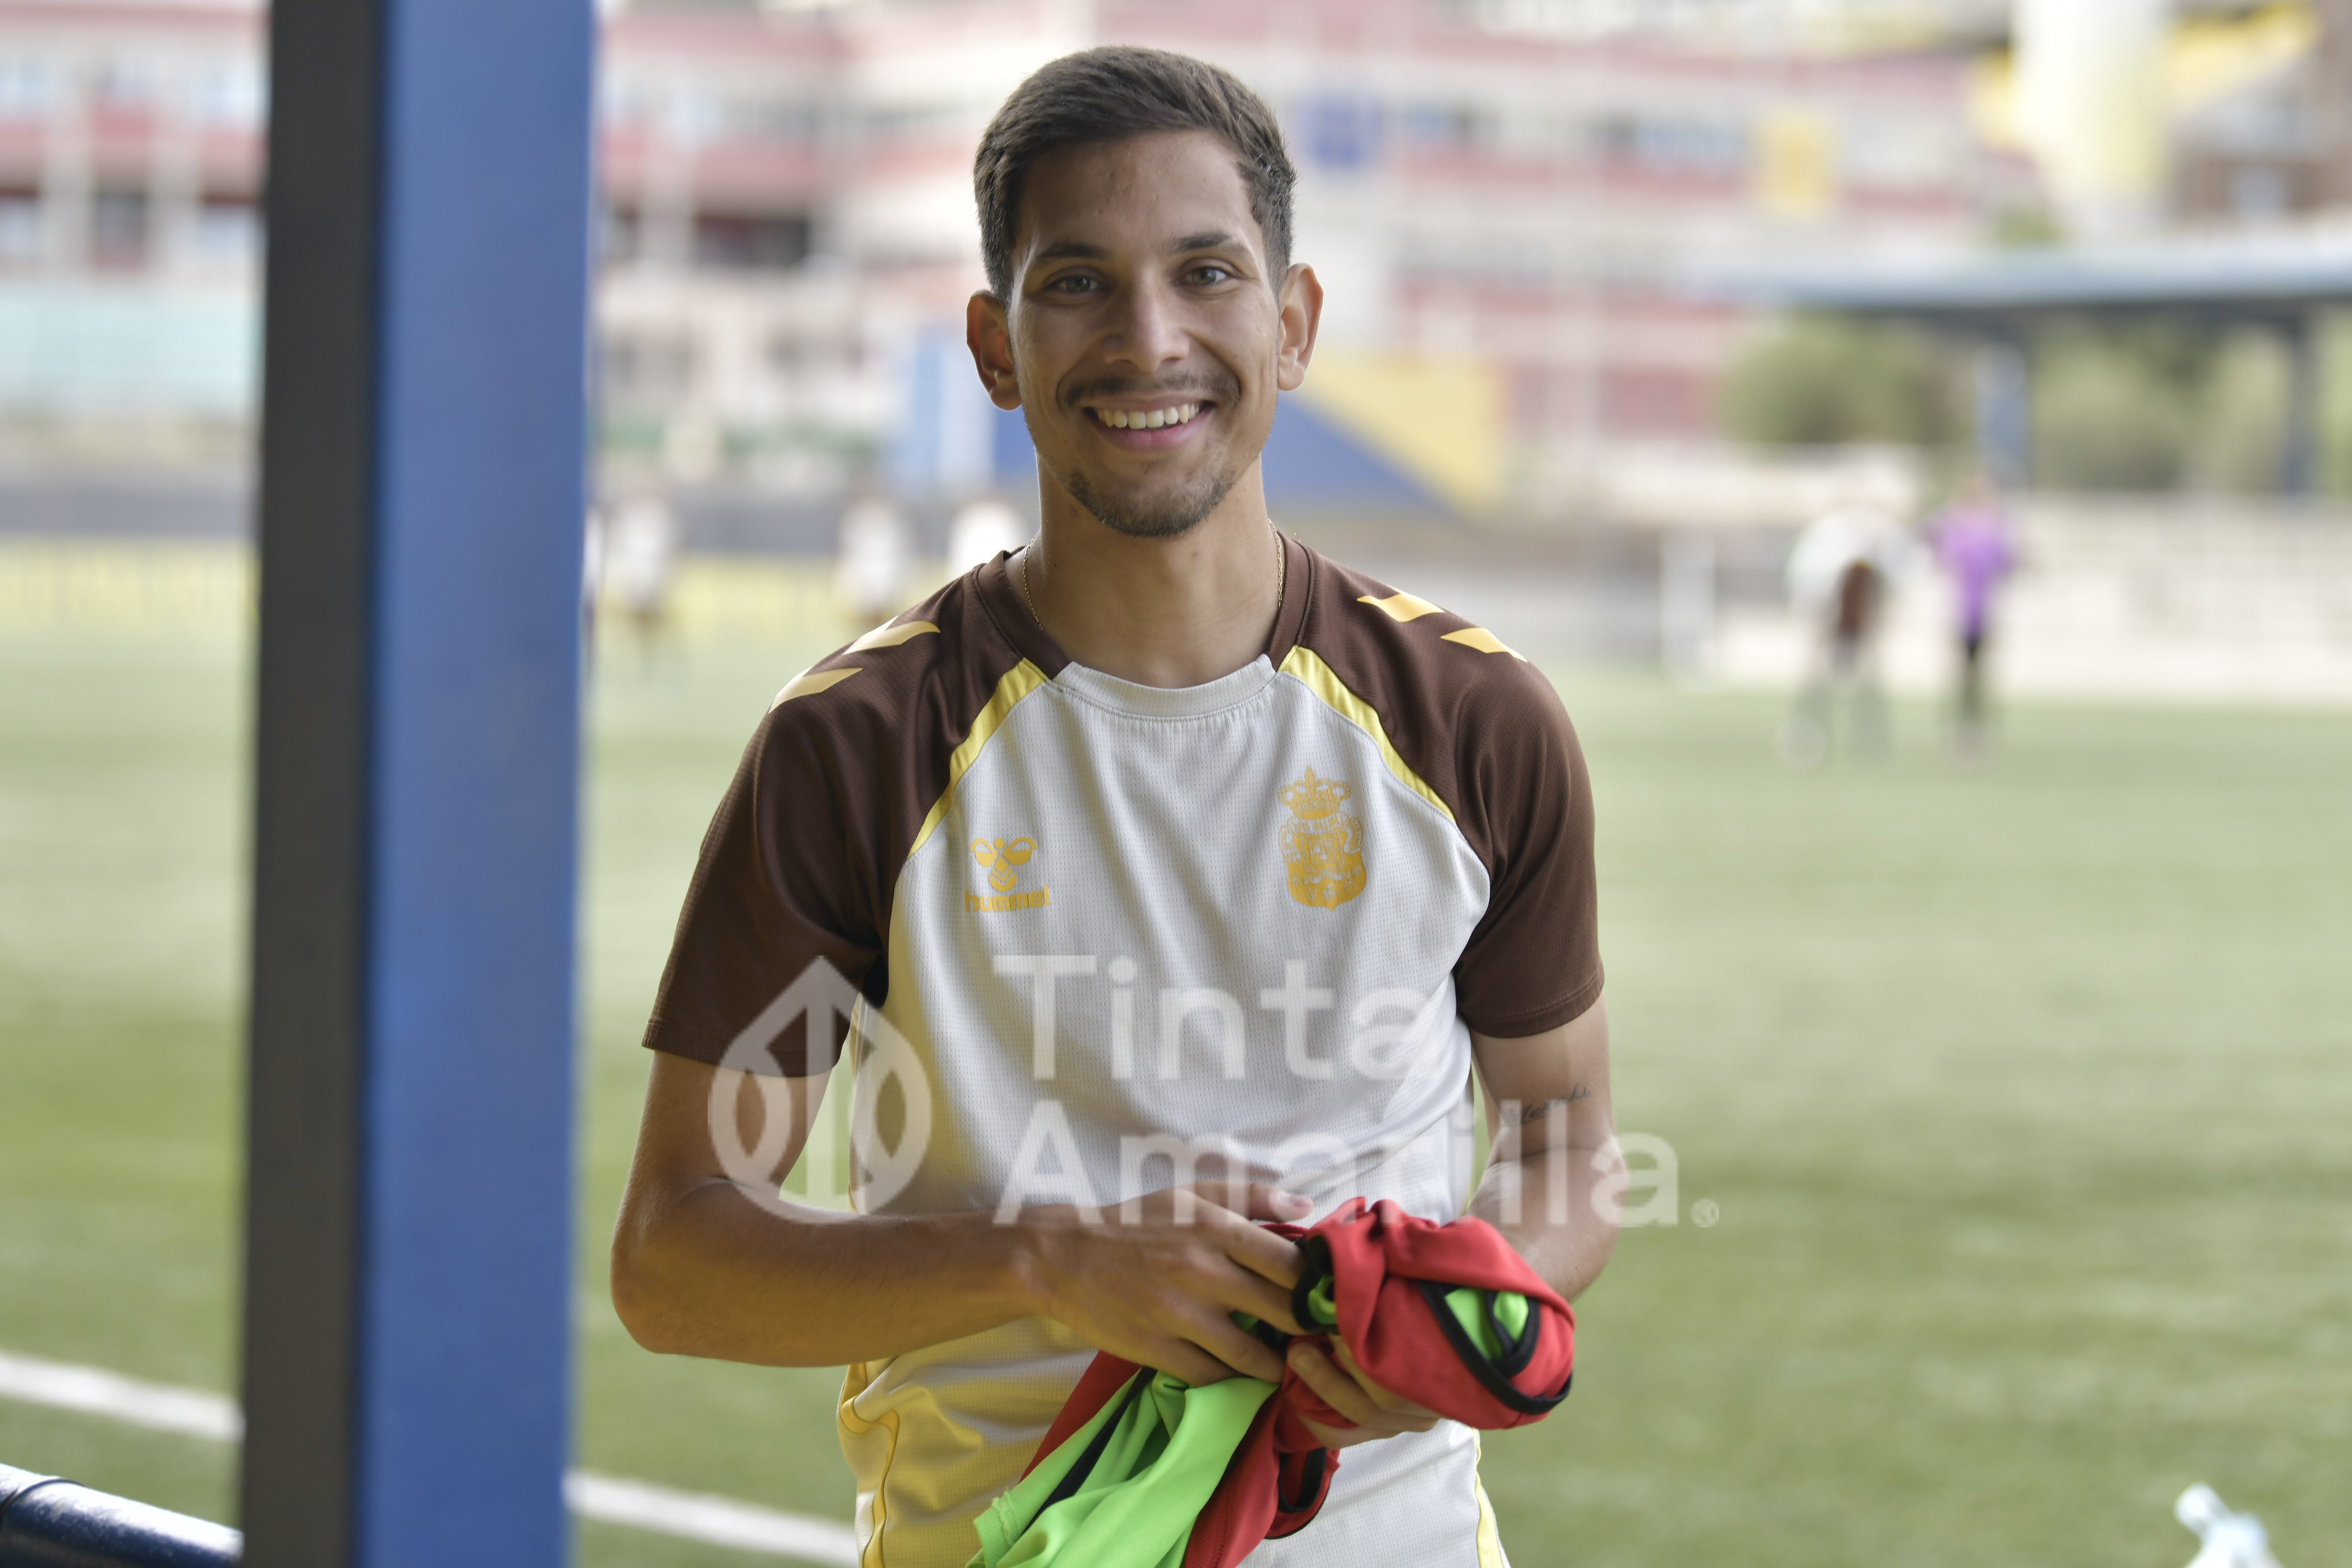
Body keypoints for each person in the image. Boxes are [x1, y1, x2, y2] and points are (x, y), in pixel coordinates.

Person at [611, 47, 1618, 1568]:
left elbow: (1566, 1140)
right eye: (1075, 282)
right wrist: (1043, 1260)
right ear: (993, 346)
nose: (1149, 339)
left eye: (1205, 273)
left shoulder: (1474, 721)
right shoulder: (854, 747)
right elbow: (676, 1254)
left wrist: (1452, 1306)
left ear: (1291, 324)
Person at [1776, 492, 1909, 767]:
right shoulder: (1829, 535)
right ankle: (1809, 732)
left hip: (1860, 621)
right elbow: (1809, 577)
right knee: (1819, 680)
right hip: (1828, 617)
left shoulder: (1878, 536)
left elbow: (1899, 575)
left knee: (1865, 681)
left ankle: (1869, 739)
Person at [1928, 472, 2017, 758]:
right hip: (1961, 614)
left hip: (1982, 615)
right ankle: (1961, 732)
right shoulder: (1960, 531)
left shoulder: (1988, 533)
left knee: (1977, 678)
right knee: (1962, 677)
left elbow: (2007, 562)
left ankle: (1973, 733)